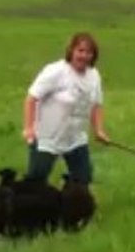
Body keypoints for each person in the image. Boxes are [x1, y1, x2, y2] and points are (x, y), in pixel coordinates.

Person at [22, 31, 110, 185]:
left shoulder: (94, 75)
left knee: (83, 177)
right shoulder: (55, 71)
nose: (84, 56)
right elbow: (31, 98)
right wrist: (29, 128)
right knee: (36, 178)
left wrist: (98, 130)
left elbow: (96, 104)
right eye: (80, 51)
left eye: (89, 52)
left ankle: (69, 205)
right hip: (48, 136)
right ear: (71, 51)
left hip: (75, 137)